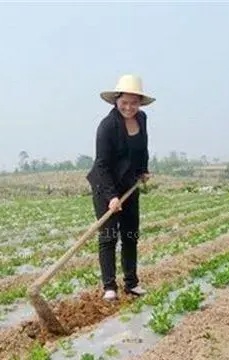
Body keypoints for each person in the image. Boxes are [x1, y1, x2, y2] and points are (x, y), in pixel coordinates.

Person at [85, 74, 154, 301]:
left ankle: (131, 283)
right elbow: (102, 165)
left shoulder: (141, 119)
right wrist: (111, 196)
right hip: (105, 186)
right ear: (117, 100)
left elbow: (143, 148)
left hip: (129, 185)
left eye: (133, 103)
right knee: (108, 236)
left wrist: (143, 169)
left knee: (130, 235)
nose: (129, 107)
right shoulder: (107, 127)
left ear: (139, 103)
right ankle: (109, 287)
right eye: (124, 102)